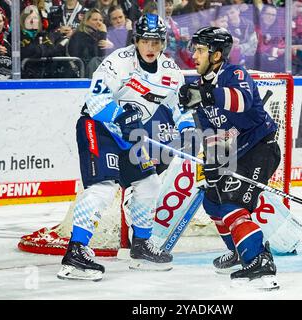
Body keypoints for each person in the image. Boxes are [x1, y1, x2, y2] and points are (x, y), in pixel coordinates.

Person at [57, 13, 194, 281]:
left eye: (156, 42)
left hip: (130, 137)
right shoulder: (117, 62)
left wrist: (187, 130)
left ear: (163, 42)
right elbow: (95, 101)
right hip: (99, 128)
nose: (151, 48)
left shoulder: (171, 72)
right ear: (137, 40)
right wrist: (121, 115)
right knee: (103, 188)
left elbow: (180, 108)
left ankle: (141, 246)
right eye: (146, 41)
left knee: (149, 184)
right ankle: (75, 251)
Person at [178, 26, 280, 289]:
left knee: (232, 205)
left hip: (261, 148)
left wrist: (208, 94)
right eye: (195, 50)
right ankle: (240, 252)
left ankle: (259, 261)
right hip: (235, 153)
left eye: (200, 50)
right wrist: (212, 161)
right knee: (213, 202)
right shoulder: (198, 88)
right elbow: (209, 130)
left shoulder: (233, 73)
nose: (194, 56)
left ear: (216, 55)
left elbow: (243, 101)